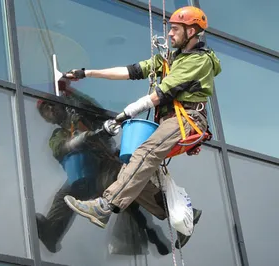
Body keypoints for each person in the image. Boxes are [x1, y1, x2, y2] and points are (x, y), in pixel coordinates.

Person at [62, 6, 222, 249]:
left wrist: (128, 112)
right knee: (130, 170)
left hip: (187, 119)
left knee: (145, 154)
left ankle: (105, 206)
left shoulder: (199, 61)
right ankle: (180, 212)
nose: (169, 34)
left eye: (175, 29)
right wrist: (88, 72)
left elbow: (162, 94)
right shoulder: (170, 59)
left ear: (191, 31)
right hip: (171, 122)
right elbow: (131, 71)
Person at [35, 79, 169, 255]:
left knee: (125, 190)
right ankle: (52, 232)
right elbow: (61, 148)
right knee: (64, 196)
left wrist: (70, 92)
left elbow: (95, 109)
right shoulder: (58, 135)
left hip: (106, 164)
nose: (50, 110)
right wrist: (82, 138)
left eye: (51, 105)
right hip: (85, 173)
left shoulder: (84, 117)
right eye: (45, 110)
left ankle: (153, 225)